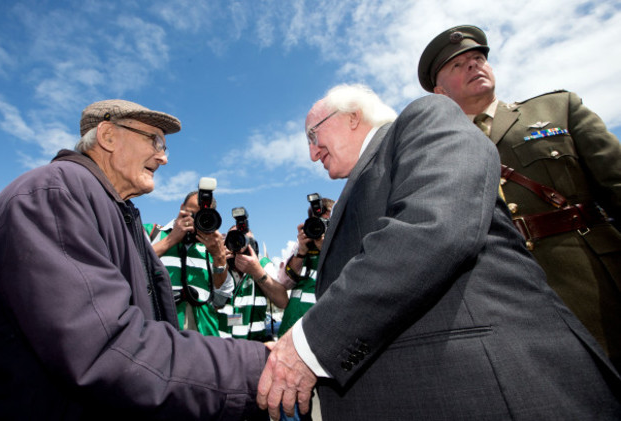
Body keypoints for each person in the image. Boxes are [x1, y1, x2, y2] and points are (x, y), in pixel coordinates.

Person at [256, 84, 621, 420]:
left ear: (352, 116)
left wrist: (310, 343)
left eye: (313, 134)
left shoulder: (425, 118)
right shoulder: (361, 184)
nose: (311, 152)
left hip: (492, 394)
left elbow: (433, 228)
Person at [0, 99, 269, 419]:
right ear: (108, 136)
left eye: (165, 146)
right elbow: (104, 348)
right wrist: (258, 368)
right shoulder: (54, 196)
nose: (164, 157)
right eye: (153, 140)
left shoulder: (114, 211)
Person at [418, 25, 621, 369]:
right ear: (439, 92)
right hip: (509, 306)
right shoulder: (434, 156)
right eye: (458, 64)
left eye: (478, 58)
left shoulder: (558, 108)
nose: (473, 65)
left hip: (595, 286)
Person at [144, 191, 233, 335]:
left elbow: (220, 296)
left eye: (201, 217)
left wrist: (219, 258)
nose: (194, 222)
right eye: (191, 214)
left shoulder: (212, 247)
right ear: (181, 208)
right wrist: (172, 239)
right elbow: (133, 263)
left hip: (204, 335)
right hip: (160, 333)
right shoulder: (152, 232)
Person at [276, 197, 335, 338]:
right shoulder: (302, 247)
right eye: (317, 222)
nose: (321, 227)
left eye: (327, 222)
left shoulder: (345, 244)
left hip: (320, 330)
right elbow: (284, 282)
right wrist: (301, 252)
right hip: (291, 327)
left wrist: (326, 249)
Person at [218, 226, 283, 341]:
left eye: (244, 240)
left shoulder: (263, 264)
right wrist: (220, 265)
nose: (239, 246)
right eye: (234, 240)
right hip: (223, 346)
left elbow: (282, 300)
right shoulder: (220, 265)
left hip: (254, 345)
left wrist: (257, 271)